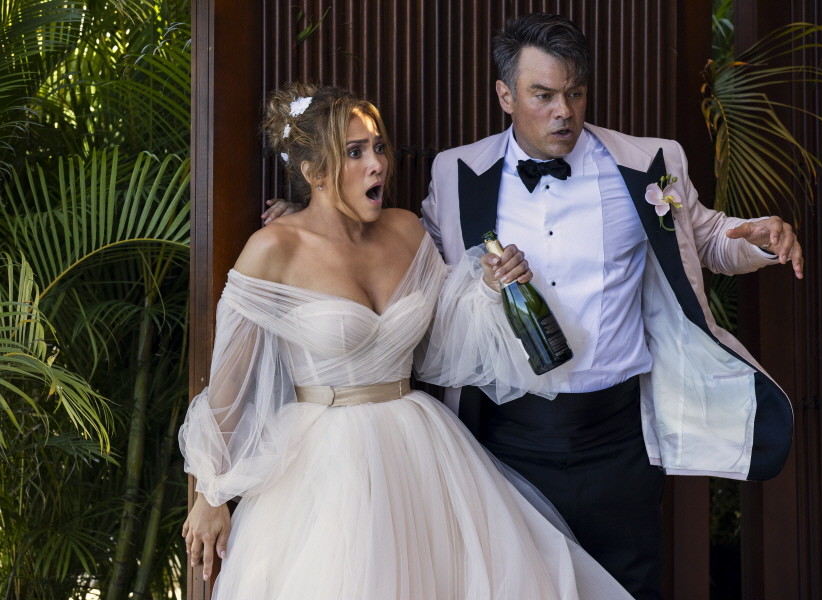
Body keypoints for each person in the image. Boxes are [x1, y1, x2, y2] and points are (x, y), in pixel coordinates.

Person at [262, 12, 802, 600]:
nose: (563, 111)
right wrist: (312, 220)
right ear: (506, 95)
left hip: (618, 438)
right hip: (504, 438)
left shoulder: (649, 163)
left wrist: (756, 239)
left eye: (575, 93)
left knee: (630, 587)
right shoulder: (457, 172)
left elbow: (706, 239)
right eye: (543, 95)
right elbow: (414, 266)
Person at [180, 82, 634, 599]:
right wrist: (210, 492)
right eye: (355, 153)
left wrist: (489, 288)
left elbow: (443, 345)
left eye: (378, 147)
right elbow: (230, 382)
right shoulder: (273, 249)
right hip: (323, 465)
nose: (378, 164)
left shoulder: (406, 230)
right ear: (315, 173)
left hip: (421, 450)